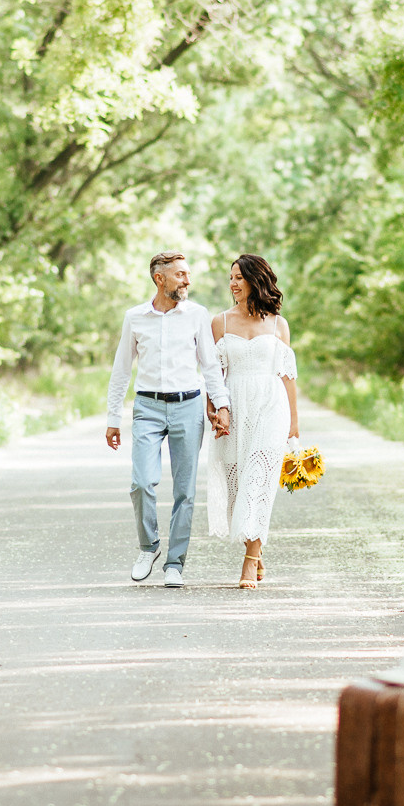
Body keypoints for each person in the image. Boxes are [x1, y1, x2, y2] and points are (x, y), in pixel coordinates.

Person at [105, 252, 230, 588]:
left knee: (184, 491)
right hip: (147, 407)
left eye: (187, 274)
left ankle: (175, 563)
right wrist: (113, 417)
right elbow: (121, 370)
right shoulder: (135, 317)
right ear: (159, 279)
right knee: (141, 482)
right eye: (180, 275)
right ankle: (149, 547)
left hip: (188, 407)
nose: (187, 281)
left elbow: (210, 366)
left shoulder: (197, 315)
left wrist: (222, 405)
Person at [206, 254, 300, 590]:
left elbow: (287, 376)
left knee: (259, 480)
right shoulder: (220, 322)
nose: (232, 284)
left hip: (270, 407)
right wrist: (213, 410)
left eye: (239, 278)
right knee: (237, 485)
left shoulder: (278, 325)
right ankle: (256, 548)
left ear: (254, 280)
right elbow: (213, 374)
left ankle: (249, 560)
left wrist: (294, 424)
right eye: (231, 278)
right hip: (234, 407)